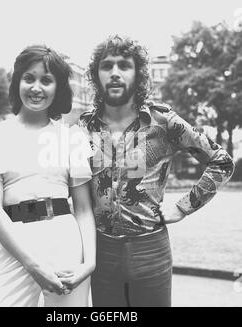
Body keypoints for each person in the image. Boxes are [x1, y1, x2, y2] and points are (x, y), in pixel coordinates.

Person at [77, 35, 235, 307]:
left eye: (124, 65)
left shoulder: (163, 122)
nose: (115, 72)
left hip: (150, 250)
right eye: (107, 65)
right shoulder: (83, 128)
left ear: (138, 74)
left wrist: (184, 206)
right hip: (101, 252)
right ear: (96, 75)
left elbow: (221, 161)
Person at [0, 45, 96, 307]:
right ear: (17, 82)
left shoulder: (71, 138)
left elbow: (83, 209)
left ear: (57, 88)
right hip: (14, 246)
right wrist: (34, 265)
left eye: (46, 80)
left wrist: (89, 263)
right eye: (29, 78)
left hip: (65, 243)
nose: (37, 87)